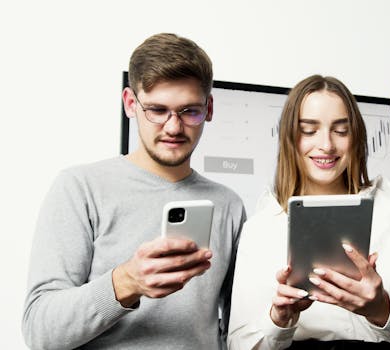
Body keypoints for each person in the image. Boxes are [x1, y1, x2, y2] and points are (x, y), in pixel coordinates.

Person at [22, 33, 246, 349]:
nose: (173, 127)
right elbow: (40, 332)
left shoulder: (229, 205)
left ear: (209, 108)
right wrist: (126, 281)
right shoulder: (80, 188)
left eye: (189, 111)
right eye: (157, 110)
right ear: (130, 103)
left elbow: (236, 328)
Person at [228, 74, 390, 349]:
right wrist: (278, 320)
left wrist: (381, 308)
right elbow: (238, 344)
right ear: (290, 138)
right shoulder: (261, 226)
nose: (326, 145)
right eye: (309, 130)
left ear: (356, 138)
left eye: (340, 131)